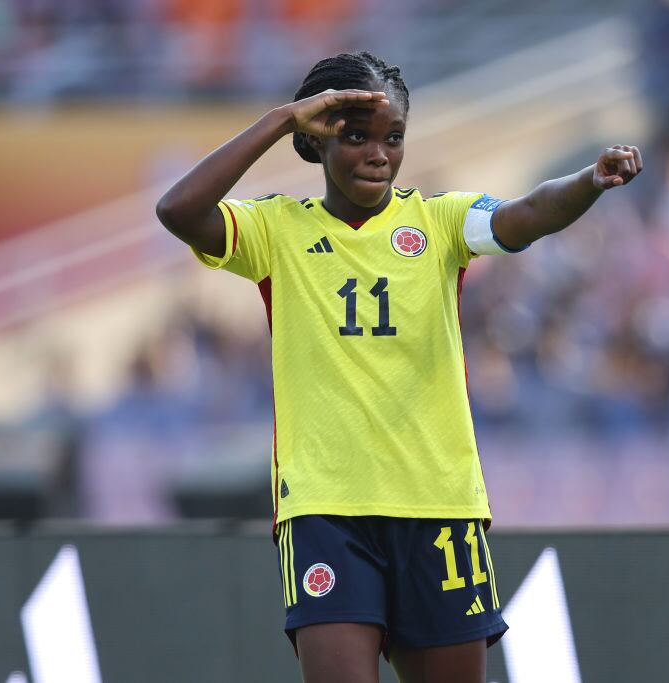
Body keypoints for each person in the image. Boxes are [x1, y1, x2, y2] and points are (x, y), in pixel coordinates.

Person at [155, 51, 642, 683]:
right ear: (316, 139)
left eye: (393, 137)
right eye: (355, 136)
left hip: (438, 506)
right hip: (326, 510)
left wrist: (588, 182)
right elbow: (178, 210)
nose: (378, 153)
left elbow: (529, 213)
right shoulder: (276, 229)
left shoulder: (440, 222)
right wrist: (279, 120)